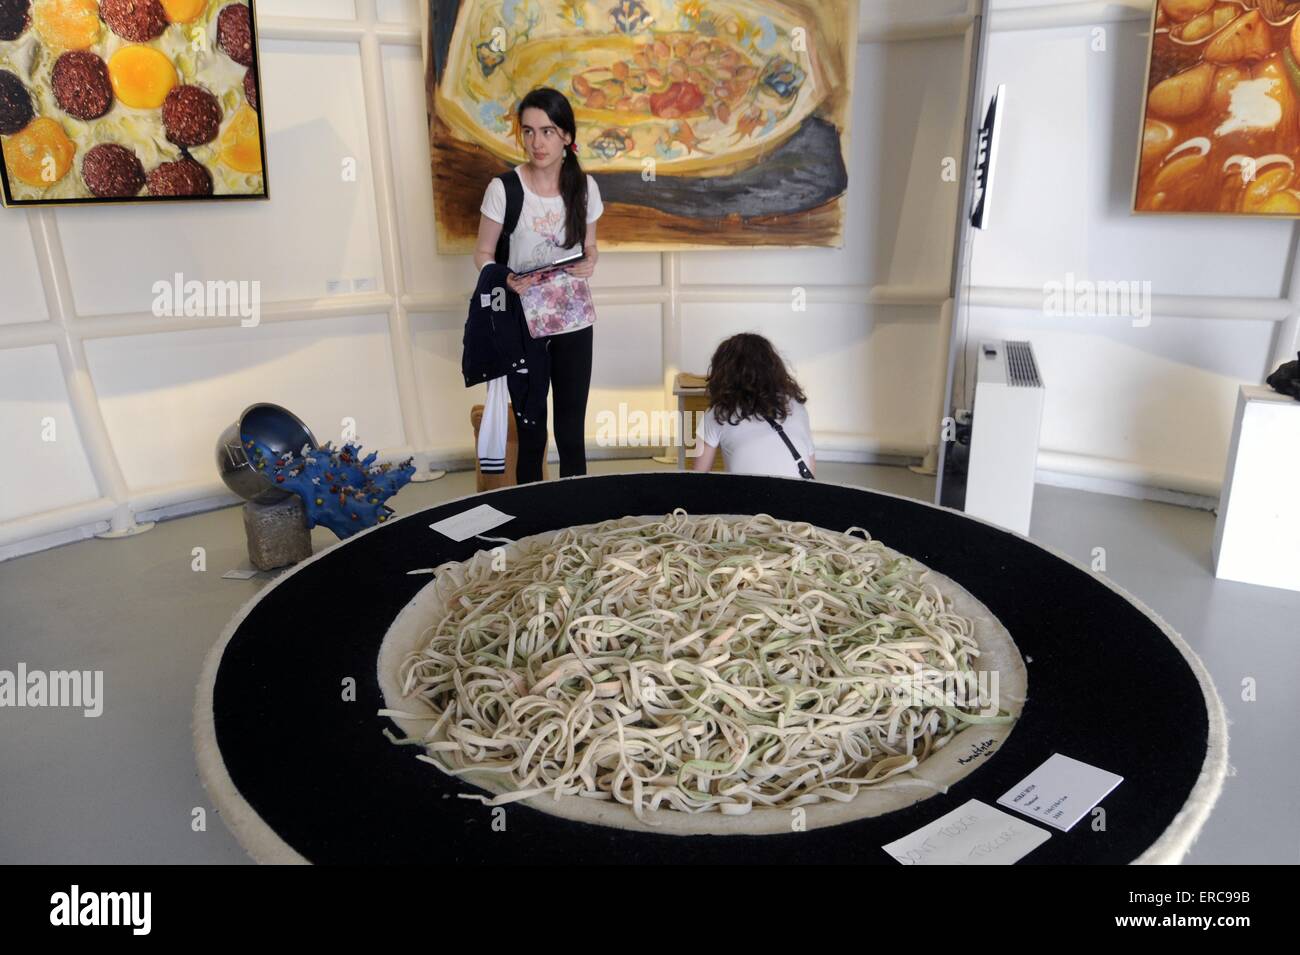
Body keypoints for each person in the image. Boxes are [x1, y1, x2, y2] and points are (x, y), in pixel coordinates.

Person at [473, 87, 603, 483]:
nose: (536, 142)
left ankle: (576, 516)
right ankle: (534, 515)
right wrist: (503, 278)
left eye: (547, 131)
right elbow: (482, 253)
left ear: (566, 136)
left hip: (573, 317)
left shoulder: (584, 187)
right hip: (521, 319)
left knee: (571, 426)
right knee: (530, 428)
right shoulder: (504, 189)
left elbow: (591, 245)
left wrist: (591, 260)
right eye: (528, 132)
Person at [691, 334, 816, 478]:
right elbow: (810, 472)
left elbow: (697, 478)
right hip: (798, 498)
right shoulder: (796, 406)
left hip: (748, 498)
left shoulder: (718, 414)